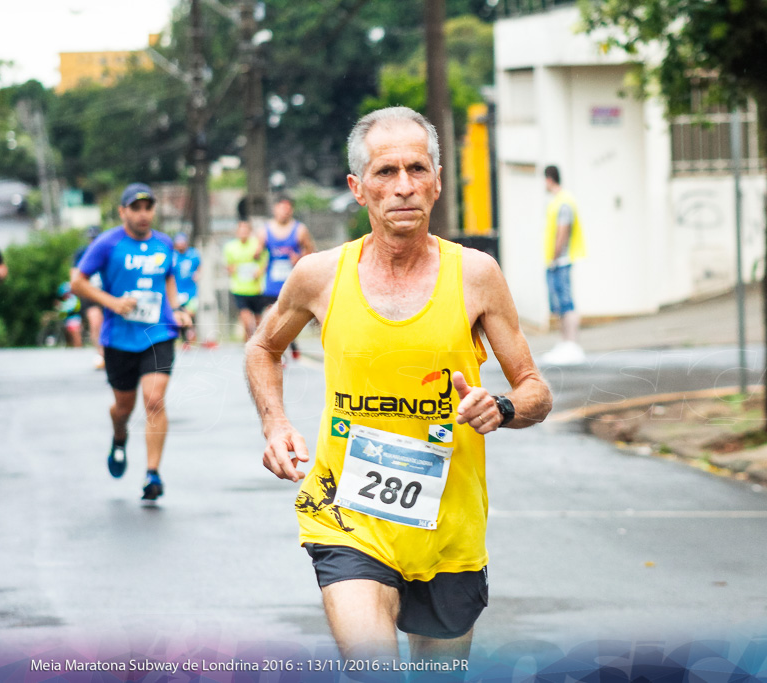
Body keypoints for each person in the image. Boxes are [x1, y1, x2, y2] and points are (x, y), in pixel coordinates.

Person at [244, 107, 552, 664]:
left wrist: (502, 407)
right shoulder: (319, 275)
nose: (403, 187)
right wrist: (275, 421)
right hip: (346, 520)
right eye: (385, 172)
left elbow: (535, 390)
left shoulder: (476, 275)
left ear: (437, 183)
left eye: (417, 169)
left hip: (448, 534)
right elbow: (263, 347)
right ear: (358, 189)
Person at [71, 183, 191, 502]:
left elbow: (168, 277)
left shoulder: (164, 243)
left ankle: (152, 474)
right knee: (124, 407)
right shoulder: (107, 243)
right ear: (123, 211)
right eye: (135, 208)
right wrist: (110, 302)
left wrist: (177, 309)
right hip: (120, 339)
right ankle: (119, 436)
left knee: (154, 400)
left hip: (158, 334)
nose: (143, 214)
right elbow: (77, 282)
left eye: (148, 208)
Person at [258, 195, 315, 359]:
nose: (285, 212)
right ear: (275, 209)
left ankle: (291, 341)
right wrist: (257, 257)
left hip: (292, 282)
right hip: (272, 282)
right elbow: (256, 255)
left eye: (288, 209)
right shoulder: (265, 230)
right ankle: (278, 351)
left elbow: (311, 253)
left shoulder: (299, 230)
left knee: (289, 318)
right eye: (282, 208)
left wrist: (298, 259)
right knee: (271, 315)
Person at [540, 164, 587, 365]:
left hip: (560, 261)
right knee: (560, 304)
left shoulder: (563, 202)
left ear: (549, 179)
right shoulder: (559, 201)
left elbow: (562, 231)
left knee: (566, 302)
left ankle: (571, 344)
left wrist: (554, 256)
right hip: (557, 261)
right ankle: (565, 343)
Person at [223, 219, 268, 341]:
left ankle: (254, 343)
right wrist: (231, 269)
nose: (243, 233)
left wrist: (260, 271)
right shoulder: (230, 247)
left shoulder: (257, 244)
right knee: (247, 320)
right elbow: (228, 265)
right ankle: (249, 343)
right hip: (239, 289)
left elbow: (266, 260)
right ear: (237, 232)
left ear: (250, 231)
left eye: (245, 230)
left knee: (258, 321)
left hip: (256, 289)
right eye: (240, 230)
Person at [72, 226, 107, 368]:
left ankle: (108, 352)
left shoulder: (107, 252)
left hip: (106, 293)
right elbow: (74, 273)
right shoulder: (81, 253)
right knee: (95, 321)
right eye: (92, 239)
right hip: (89, 293)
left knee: (106, 323)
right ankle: (100, 354)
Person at [171, 232, 201, 348]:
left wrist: (198, 274)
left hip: (191, 291)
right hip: (178, 292)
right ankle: (186, 340)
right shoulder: (173, 256)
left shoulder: (193, 254)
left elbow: (199, 267)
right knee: (180, 315)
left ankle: (191, 332)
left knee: (189, 313)